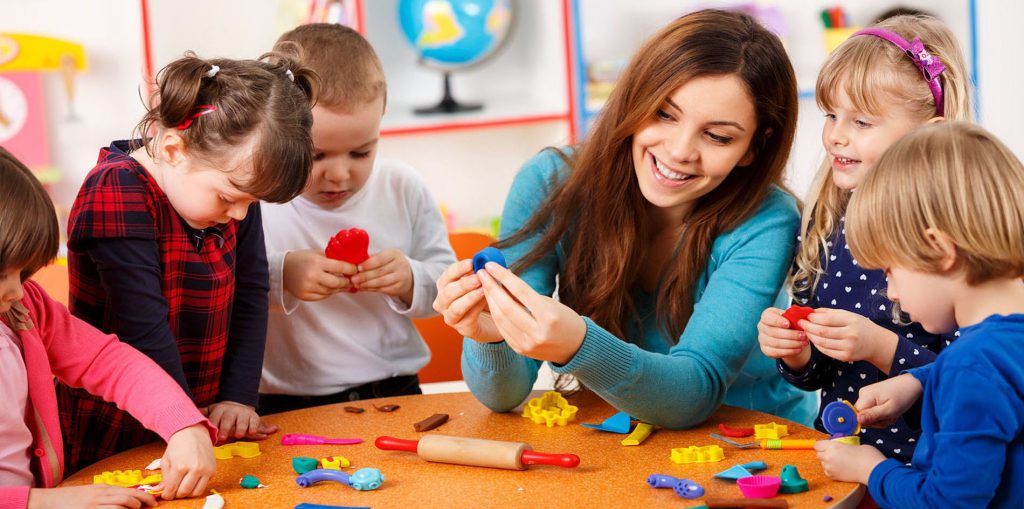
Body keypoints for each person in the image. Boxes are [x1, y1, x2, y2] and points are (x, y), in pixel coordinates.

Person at [433, 9, 815, 428]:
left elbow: (692, 393)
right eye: (665, 114)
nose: (680, 150)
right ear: (635, 98)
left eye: (718, 136)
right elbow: (503, 396)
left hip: (760, 447)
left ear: (753, 148)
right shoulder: (550, 183)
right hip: (621, 444)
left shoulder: (767, 220)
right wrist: (490, 336)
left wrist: (578, 343)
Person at [57, 51, 317, 473]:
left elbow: (251, 291)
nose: (239, 214)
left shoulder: (232, 192)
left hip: (202, 418)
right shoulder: (117, 189)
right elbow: (143, 326)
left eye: (251, 202)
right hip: (120, 424)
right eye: (231, 198)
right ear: (175, 149)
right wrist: (184, 422)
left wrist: (237, 395)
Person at [756, 14, 972, 463]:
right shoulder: (826, 222)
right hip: (838, 462)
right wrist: (795, 353)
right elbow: (815, 378)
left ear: (928, 131)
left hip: (927, 472)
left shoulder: (955, 238)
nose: (836, 136)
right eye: (832, 115)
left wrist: (880, 346)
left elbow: (975, 383)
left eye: (862, 123)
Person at [816, 122, 1024, 508]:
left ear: (939, 251)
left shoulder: (971, 366)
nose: (891, 291)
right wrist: (919, 381)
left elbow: (948, 503)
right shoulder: (1001, 346)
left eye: (891, 271)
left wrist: (870, 469)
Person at [0, 147, 217, 508]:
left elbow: (107, 361)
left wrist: (184, 425)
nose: (15, 289)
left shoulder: (25, 308)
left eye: (21, 273)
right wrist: (42, 502)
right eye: (1, 274)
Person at [257, 24, 455, 414]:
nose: (340, 175)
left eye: (361, 153)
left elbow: (448, 288)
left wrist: (411, 278)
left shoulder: (402, 186)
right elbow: (225, 288)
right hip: (285, 401)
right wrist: (284, 275)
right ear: (276, 127)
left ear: (381, 117)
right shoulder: (255, 196)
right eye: (316, 156)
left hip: (394, 390)